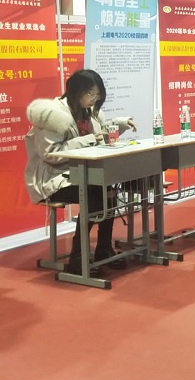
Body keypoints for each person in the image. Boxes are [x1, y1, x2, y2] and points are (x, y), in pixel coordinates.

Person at [24, 69, 137, 275]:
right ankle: (78, 259)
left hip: (79, 174)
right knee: (95, 196)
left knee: (109, 192)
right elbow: (51, 154)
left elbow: (100, 132)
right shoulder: (52, 117)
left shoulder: (89, 112)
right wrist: (88, 140)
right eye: (91, 94)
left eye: (98, 95)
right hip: (53, 178)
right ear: (76, 91)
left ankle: (103, 249)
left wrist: (120, 124)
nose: (94, 99)